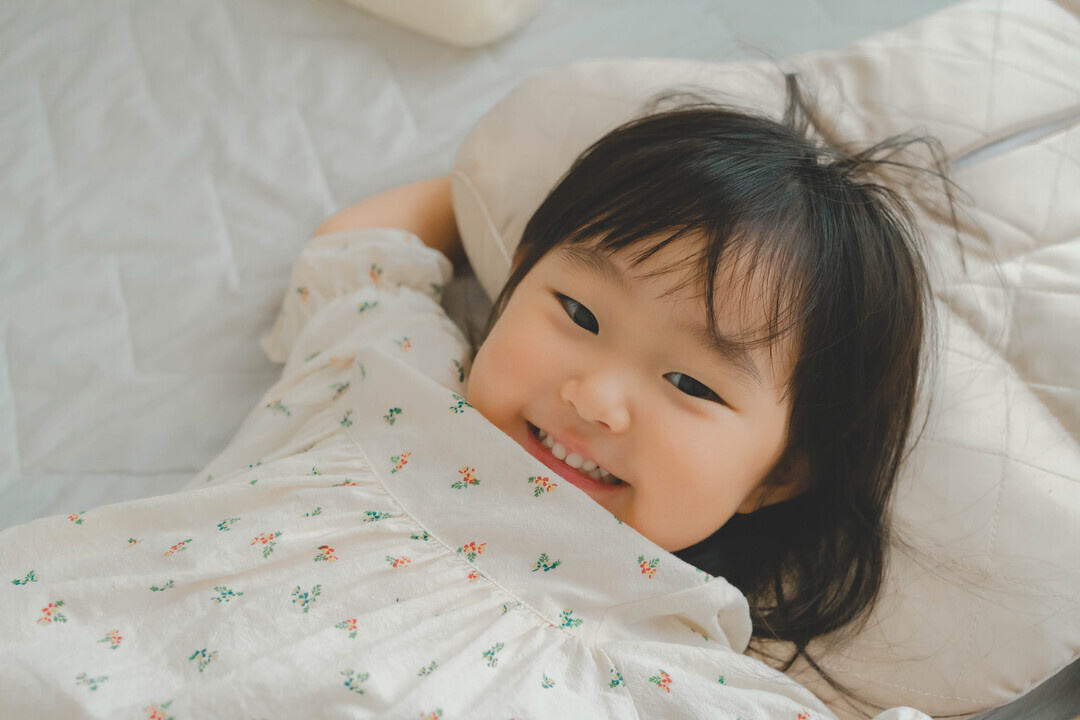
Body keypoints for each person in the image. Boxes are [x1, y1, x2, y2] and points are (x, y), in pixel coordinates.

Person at [0, 79, 935, 719]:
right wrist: (481, 194)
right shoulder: (391, 385)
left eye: (691, 383)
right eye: (577, 311)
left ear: (779, 476)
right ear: (517, 278)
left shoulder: (675, 667)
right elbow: (359, 251)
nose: (595, 397)